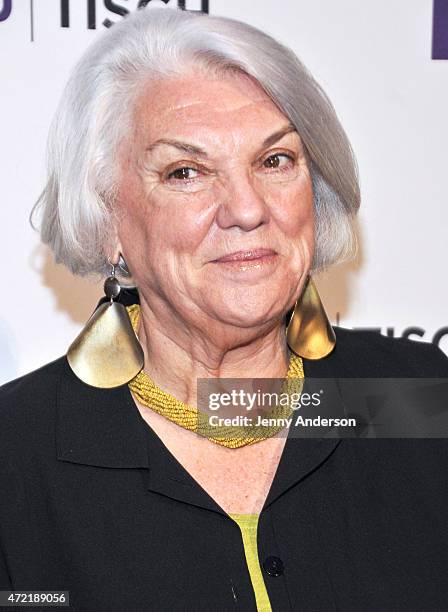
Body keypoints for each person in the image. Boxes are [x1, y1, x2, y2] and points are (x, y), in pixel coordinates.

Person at [1, 6, 448, 611]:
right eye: (186, 172)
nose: (246, 208)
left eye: (275, 161)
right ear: (108, 221)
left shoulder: (420, 397)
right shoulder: (15, 457)